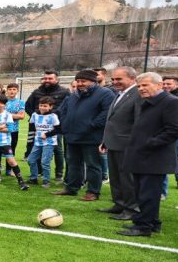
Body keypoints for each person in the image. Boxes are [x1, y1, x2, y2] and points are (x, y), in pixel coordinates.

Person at [117, 73, 178, 236]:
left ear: (159, 85)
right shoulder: (149, 102)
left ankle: (144, 227)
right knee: (143, 192)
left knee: (149, 193)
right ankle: (151, 222)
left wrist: (151, 143)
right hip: (142, 155)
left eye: (145, 85)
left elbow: (177, 129)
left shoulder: (172, 102)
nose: (141, 89)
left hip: (154, 157)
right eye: (139, 86)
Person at [53, 69, 115, 201]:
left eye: (83, 81)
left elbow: (107, 113)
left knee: (93, 165)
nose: (80, 83)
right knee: (73, 163)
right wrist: (65, 124)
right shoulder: (74, 94)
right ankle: (71, 188)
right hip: (72, 135)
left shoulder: (105, 93)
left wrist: (91, 125)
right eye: (78, 81)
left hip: (91, 136)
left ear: (93, 81)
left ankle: (93, 192)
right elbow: (62, 110)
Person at [98, 67, 139, 219]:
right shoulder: (120, 94)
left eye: (119, 79)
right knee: (115, 177)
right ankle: (119, 204)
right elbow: (113, 120)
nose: (115, 82)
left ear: (132, 78)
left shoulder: (137, 94)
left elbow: (138, 122)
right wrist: (105, 141)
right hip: (113, 143)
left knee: (128, 179)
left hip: (127, 145)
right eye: (113, 79)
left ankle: (131, 209)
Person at [24, 70, 67, 179]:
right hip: (38, 128)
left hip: (55, 128)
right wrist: (38, 118)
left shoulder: (64, 92)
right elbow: (28, 106)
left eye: (50, 78)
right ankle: (39, 172)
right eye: (45, 78)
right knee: (36, 147)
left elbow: (68, 107)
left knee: (57, 150)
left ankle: (59, 173)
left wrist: (56, 118)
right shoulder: (37, 92)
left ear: (56, 80)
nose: (47, 81)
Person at [161, 76, 178, 193]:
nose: (166, 86)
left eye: (169, 84)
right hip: (162, 132)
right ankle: (162, 187)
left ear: (176, 84)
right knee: (161, 158)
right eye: (164, 84)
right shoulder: (160, 97)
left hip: (177, 133)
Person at [27, 97, 60, 188]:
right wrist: (31, 137)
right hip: (37, 142)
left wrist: (47, 134)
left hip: (49, 143)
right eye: (41, 105)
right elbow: (31, 126)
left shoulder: (53, 116)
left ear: (50, 107)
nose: (42, 107)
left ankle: (46, 181)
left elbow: (58, 129)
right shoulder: (34, 115)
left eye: (45, 106)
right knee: (31, 160)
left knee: (45, 162)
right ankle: (33, 178)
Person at [4, 83, 26, 174]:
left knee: (11, 150)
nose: (12, 91)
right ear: (7, 91)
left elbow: (21, 116)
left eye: (14, 89)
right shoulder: (3, 101)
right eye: (10, 89)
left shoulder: (20, 102)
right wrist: (14, 115)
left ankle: (9, 170)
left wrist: (6, 115)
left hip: (14, 130)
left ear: (17, 91)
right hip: (1, 129)